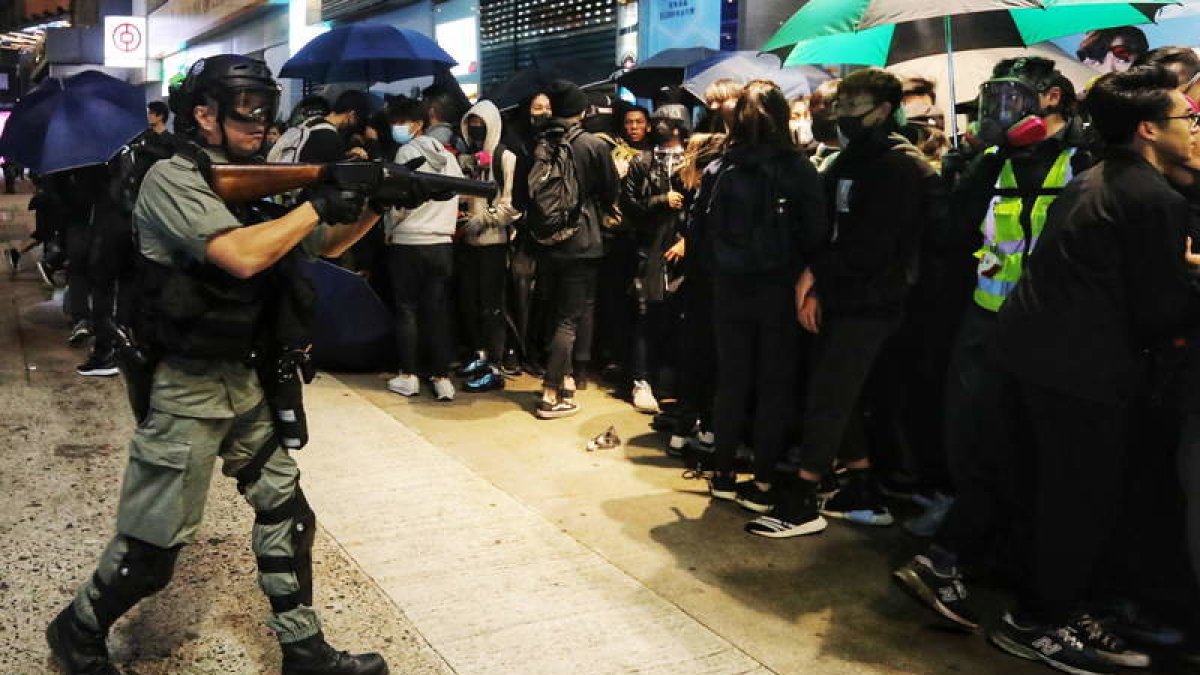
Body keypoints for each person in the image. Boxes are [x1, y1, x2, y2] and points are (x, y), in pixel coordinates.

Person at [46, 54, 397, 675]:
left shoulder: (246, 177)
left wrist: (377, 202)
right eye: (248, 110)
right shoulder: (173, 179)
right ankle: (76, 631)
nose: (261, 122)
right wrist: (318, 203)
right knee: (153, 549)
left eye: (267, 109)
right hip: (187, 386)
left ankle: (303, 649)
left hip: (242, 377)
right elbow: (238, 256)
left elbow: (318, 247)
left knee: (287, 512)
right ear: (203, 114)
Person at [983, 64, 1200, 675]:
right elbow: (1158, 312)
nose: (1194, 127)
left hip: (1035, 361)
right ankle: (1038, 623)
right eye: (1187, 118)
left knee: (1052, 494)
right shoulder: (1153, 200)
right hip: (1083, 374)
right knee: (1079, 502)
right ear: (1149, 130)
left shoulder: (1095, 179)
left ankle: (1052, 607)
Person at [893, 56, 1094, 630]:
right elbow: (950, 236)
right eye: (993, 99)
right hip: (986, 323)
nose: (998, 112)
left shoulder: (1085, 160)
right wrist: (960, 175)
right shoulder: (990, 163)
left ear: (1052, 99)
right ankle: (958, 559)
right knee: (980, 444)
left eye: (1011, 98)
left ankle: (974, 557)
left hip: (1053, 333)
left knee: (1031, 456)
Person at [746, 69, 931, 536]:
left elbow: (872, 247)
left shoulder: (898, 166)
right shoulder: (853, 161)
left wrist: (817, 277)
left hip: (873, 300)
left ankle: (803, 500)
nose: (842, 117)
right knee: (836, 395)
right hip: (843, 294)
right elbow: (832, 230)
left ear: (883, 112)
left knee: (830, 397)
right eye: (839, 108)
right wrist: (816, 280)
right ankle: (862, 486)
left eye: (852, 110)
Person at [686, 80, 828, 519]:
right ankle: (763, 478)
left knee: (732, 380)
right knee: (775, 384)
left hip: (728, 289)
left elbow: (697, 234)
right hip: (779, 289)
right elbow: (818, 235)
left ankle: (724, 471)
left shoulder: (719, 169)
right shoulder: (798, 168)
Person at [534, 80, 619, 419]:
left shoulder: (541, 143)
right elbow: (610, 189)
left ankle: (566, 378)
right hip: (582, 240)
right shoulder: (593, 145)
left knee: (557, 313)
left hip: (548, 241)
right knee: (570, 319)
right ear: (583, 112)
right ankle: (551, 393)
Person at [383, 96, 462, 402]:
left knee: (406, 309)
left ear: (417, 124)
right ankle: (442, 378)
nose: (396, 128)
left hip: (408, 242)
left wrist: (390, 229)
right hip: (441, 242)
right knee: (438, 311)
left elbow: (397, 201)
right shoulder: (447, 155)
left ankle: (408, 376)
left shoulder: (405, 153)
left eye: (400, 122)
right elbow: (458, 192)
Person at [620, 106, 690, 413]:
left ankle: (668, 383)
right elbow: (629, 203)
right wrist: (662, 200)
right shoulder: (642, 161)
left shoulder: (692, 159)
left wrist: (689, 240)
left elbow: (703, 206)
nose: (658, 125)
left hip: (683, 251)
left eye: (665, 121)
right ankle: (641, 380)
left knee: (677, 319)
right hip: (647, 249)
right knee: (645, 314)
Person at [456, 99, 520, 392]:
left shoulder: (505, 158)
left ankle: (494, 363)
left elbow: (512, 204)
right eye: (471, 126)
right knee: (470, 302)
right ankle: (478, 353)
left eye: (480, 125)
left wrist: (486, 219)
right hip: (468, 241)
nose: (476, 131)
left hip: (494, 242)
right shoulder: (467, 158)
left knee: (492, 306)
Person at [297, 90, 373, 163]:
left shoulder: (310, 125)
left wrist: (348, 154)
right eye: (359, 120)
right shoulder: (329, 136)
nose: (356, 125)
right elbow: (338, 171)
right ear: (352, 115)